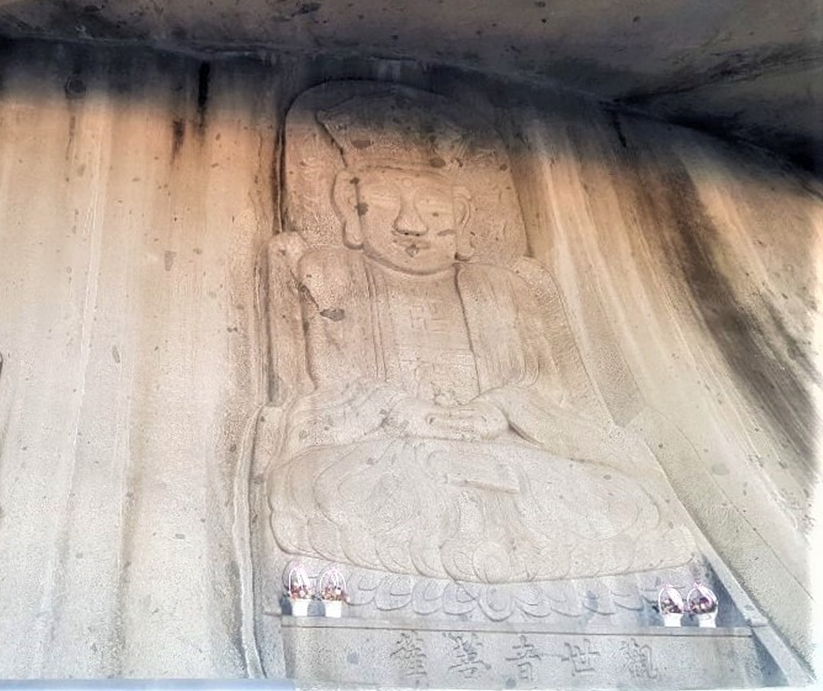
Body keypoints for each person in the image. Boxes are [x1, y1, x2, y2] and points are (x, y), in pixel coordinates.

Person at [265, 101, 693, 584]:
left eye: (433, 207)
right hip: (391, 455)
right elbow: (324, 381)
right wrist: (400, 408)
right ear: (350, 203)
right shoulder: (328, 272)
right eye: (383, 200)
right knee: (319, 485)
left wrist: (500, 409)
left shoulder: (502, 287)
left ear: (462, 213)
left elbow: (544, 387)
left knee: (626, 497)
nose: (410, 223)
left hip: (512, 455)